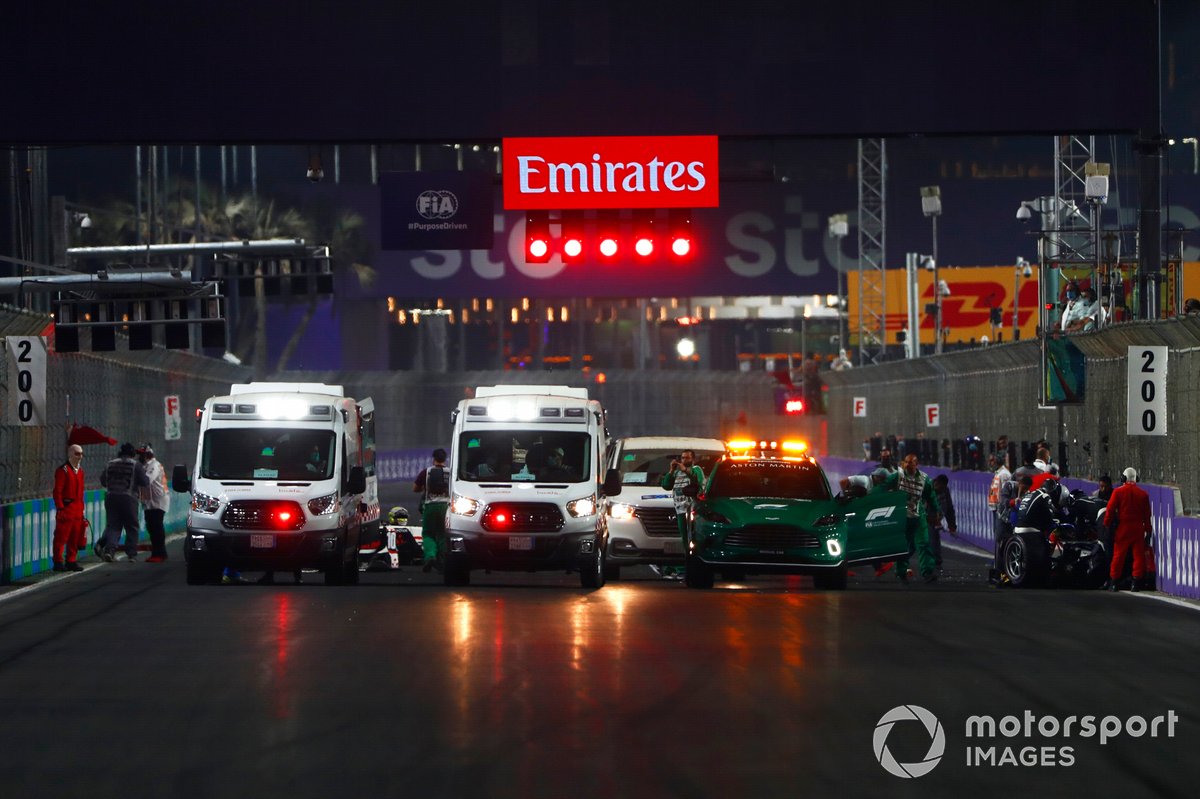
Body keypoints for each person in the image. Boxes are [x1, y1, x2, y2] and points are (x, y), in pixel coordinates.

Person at [880, 454, 939, 584]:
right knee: (903, 545)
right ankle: (901, 571)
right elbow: (883, 487)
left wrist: (935, 513)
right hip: (902, 516)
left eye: (910, 463)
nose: (907, 464)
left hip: (918, 515)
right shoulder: (898, 476)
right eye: (906, 462)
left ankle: (928, 572)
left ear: (916, 464)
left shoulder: (924, 479)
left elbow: (931, 497)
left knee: (923, 543)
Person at [658, 449, 706, 580]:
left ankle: (692, 565)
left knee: (691, 538)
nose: (684, 460)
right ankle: (686, 563)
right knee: (684, 538)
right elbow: (666, 485)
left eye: (687, 458)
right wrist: (671, 470)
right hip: (680, 509)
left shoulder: (696, 469)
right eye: (682, 458)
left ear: (693, 459)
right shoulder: (677, 472)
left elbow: (697, 480)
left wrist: (685, 470)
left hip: (691, 509)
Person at [98, 442, 149, 562]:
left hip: (111, 497)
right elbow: (145, 482)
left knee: (113, 526)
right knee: (131, 526)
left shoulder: (110, 464)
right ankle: (131, 554)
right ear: (132, 453)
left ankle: (110, 551)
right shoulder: (135, 465)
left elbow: (103, 481)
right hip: (128, 498)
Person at [1104, 467, 1153, 592]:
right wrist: (1148, 530)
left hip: (1123, 528)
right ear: (1136, 478)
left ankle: (1114, 582)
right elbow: (1147, 515)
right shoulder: (1143, 494)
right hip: (1138, 528)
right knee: (1138, 556)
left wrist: (1107, 523)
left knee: (1118, 555)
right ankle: (1136, 583)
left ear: (1123, 478)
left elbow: (1110, 509)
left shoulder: (1118, 492)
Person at [52, 444, 88, 572]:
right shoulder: (64, 470)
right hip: (67, 508)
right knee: (61, 537)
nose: (80, 456)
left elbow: (81, 492)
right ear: (70, 454)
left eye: (81, 454)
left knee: (75, 536)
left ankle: (71, 560)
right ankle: (58, 561)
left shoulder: (81, 471)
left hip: (77, 509)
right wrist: (60, 508)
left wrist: (82, 510)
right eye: (77, 454)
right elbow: (57, 491)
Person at [413, 448, 450, 572]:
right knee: (443, 535)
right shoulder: (450, 473)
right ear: (445, 459)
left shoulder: (426, 472)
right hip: (445, 507)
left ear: (433, 458)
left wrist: (425, 487)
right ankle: (443, 561)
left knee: (428, 534)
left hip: (430, 506)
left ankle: (430, 556)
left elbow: (415, 488)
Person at [137, 443, 170, 563]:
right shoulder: (145, 465)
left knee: (156, 527)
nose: (139, 457)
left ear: (148, 454)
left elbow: (146, 480)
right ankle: (157, 552)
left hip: (158, 500)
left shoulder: (154, 466)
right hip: (149, 501)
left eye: (141, 454)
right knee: (151, 527)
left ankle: (160, 553)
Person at [929, 473, 956, 572]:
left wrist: (952, 526)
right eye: (939, 486)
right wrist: (933, 519)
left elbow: (949, 509)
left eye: (943, 487)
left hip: (936, 519)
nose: (940, 489)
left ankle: (936, 562)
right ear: (936, 483)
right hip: (925, 518)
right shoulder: (927, 489)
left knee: (935, 538)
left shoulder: (945, 491)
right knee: (930, 539)